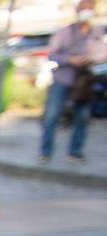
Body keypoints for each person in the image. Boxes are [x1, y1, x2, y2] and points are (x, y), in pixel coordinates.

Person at [40, 0, 106, 164]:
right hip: (63, 78)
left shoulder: (96, 32)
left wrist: (90, 59)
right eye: (84, 9)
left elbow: (103, 53)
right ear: (78, 10)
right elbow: (52, 54)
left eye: (89, 9)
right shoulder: (65, 32)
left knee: (82, 117)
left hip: (84, 81)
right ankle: (45, 152)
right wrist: (70, 59)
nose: (86, 12)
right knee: (52, 116)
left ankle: (75, 152)